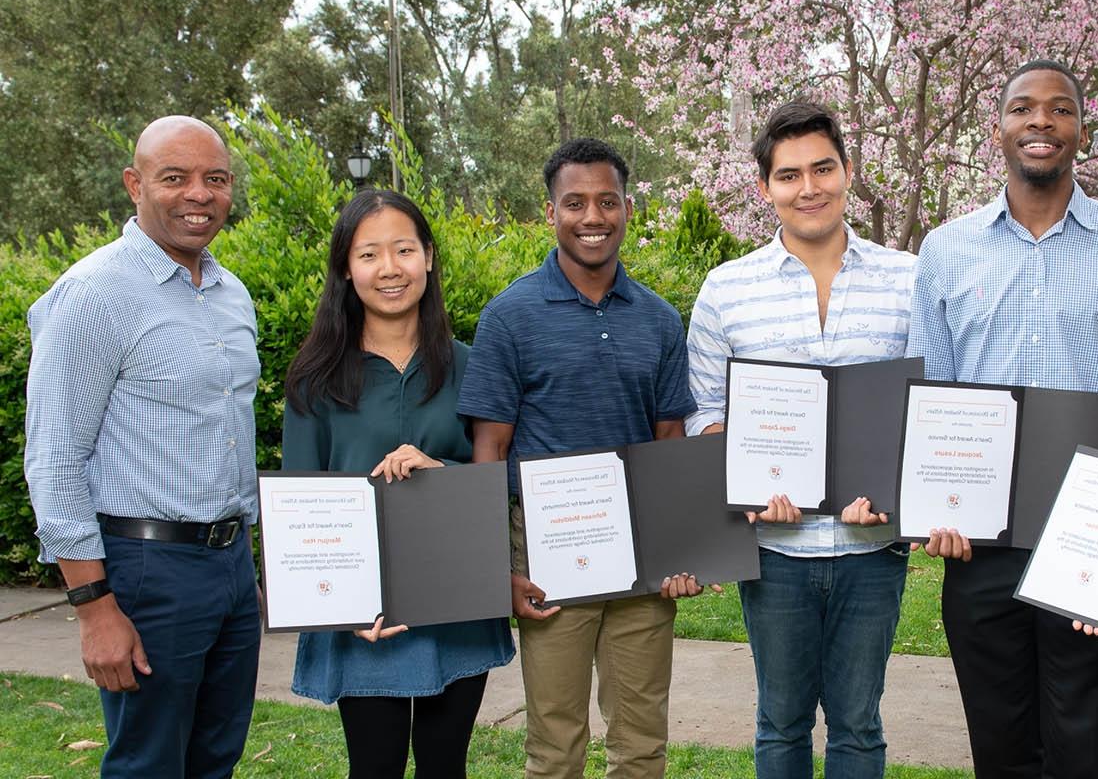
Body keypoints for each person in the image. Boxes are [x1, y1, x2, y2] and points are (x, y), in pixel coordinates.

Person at [907, 60, 1098, 777]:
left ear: (1082, 131)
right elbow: (929, 391)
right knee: (1000, 748)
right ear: (997, 129)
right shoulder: (945, 250)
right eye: (1023, 108)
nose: (1041, 122)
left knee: (1083, 746)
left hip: (1092, 539)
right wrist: (932, 506)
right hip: (978, 543)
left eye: (1059, 110)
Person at [458, 137, 705, 779]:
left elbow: (670, 439)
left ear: (627, 208)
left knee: (641, 742)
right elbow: (490, 447)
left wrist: (679, 547)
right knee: (555, 745)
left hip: (641, 554)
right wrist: (495, 565)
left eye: (606, 202)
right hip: (548, 555)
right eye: (575, 203)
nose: (592, 217)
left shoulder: (657, 319)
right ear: (550, 213)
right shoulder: (509, 316)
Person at [24, 116, 261, 777]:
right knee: (149, 763)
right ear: (135, 185)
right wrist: (93, 607)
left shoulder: (231, 294)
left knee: (216, 757)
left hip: (230, 567)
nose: (199, 194)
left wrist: (246, 568)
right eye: (175, 177)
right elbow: (54, 457)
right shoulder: (93, 294)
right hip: (144, 570)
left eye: (215, 179)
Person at [684, 99, 916, 777]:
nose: (808, 188)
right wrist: (748, 490)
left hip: (873, 545)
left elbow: (929, 406)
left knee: (859, 726)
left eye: (822, 169)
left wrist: (896, 493)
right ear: (765, 189)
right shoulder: (726, 290)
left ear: (848, 171)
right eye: (789, 176)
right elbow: (704, 409)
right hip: (777, 550)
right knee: (780, 725)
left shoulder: (908, 278)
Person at [281, 190, 516, 778]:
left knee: (446, 768)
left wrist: (443, 474)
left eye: (404, 249)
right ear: (345, 269)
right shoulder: (315, 380)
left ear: (429, 257)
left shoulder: (471, 364)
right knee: (375, 767)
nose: (389, 268)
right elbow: (300, 505)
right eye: (369, 254)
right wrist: (341, 606)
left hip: (455, 601)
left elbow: (497, 482)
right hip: (366, 616)